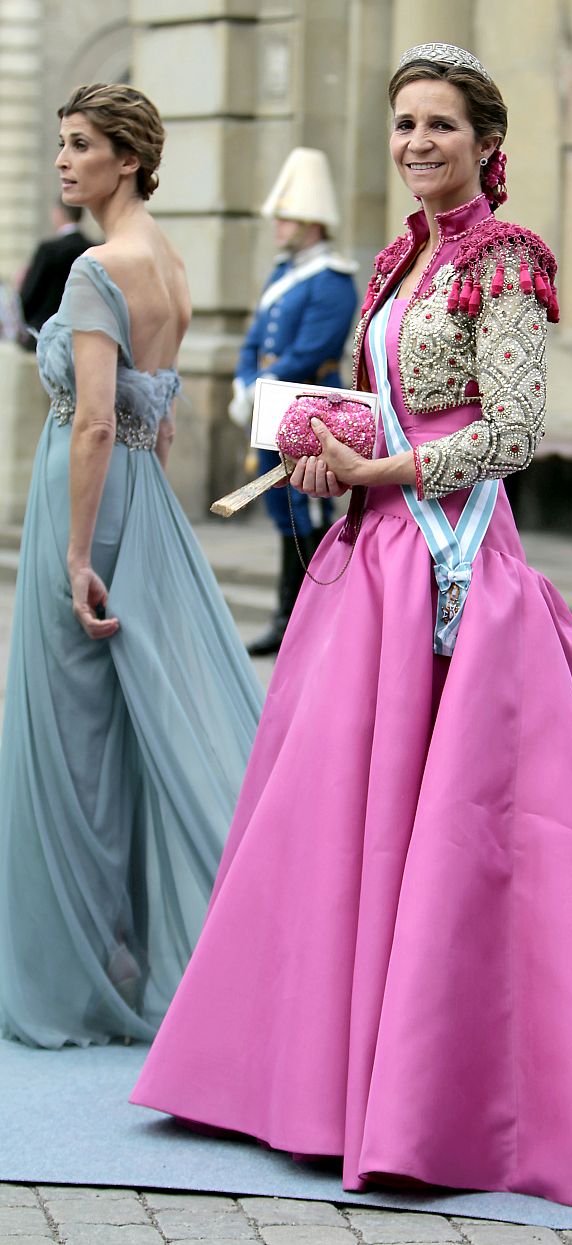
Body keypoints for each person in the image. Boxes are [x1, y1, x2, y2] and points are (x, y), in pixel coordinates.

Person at [132, 49, 572, 1207]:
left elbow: (512, 432)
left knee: (462, 834)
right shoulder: (398, 261)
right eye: (404, 125)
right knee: (342, 814)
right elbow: (385, 397)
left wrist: (384, 463)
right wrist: (330, 457)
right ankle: (315, 1076)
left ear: (487, 142)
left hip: (456, 573)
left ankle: (451, 1089)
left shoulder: (502, 265)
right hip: (376, 564)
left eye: (440, 126)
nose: (416, 143)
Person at [0, 83, 263, 1049]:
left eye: (80, 146)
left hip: (90, 505)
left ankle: (84, 970)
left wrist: (75, 553)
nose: (64, 161)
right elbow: (167, 415)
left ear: (127, 159)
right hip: (144, 505)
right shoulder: (173, 265)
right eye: (60, 144)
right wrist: (141, 523)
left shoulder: (93, 270)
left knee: (76, 749)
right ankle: (134, 952)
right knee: (134, 736)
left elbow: (101, 419)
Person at [228, 148, 358, 656]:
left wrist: (262, 383)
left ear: (311, 222)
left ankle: (305, 615)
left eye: (286, 218)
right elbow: (255, 337)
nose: (277, 226)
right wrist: (244, 382)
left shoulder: (332, 280)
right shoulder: (282, 274)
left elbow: (313, 350)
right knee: (284, 512)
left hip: (306, 411)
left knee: (307, 509)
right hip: (270, 404)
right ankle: (288, 614)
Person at [17, 199, 90, 350]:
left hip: (46, 334)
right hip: (82, 335)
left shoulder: (48, 250)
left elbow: (29, 294)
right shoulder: (93, 247)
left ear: (59, 213)